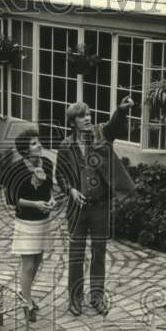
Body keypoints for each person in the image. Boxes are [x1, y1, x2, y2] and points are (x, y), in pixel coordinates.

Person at [57, 96, 136, 315]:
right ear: (72, 122)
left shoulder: (101, 134)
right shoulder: (66, 146)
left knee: (99, 253)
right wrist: (71, 190)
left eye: (89, 114)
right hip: (77, 209)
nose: (88, 118)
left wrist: (121, 110)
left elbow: (114, 126)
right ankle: (75, 298)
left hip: (101, 206)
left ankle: (97, 297)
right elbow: (60, 175)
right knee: (76, 254)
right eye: (82, 116)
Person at [3, 129, 56, 322]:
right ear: (25, 150)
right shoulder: (16, 170)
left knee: (38, 260)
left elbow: (49, 188)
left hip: (43, 221)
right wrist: (35, 204)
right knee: (28, 264)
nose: (39, 145)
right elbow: (12, 199)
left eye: (38, 141)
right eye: (34, 143)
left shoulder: (47, 164)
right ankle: (27, 303)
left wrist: (51, 200)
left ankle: (24, 292)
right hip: (26, 222)